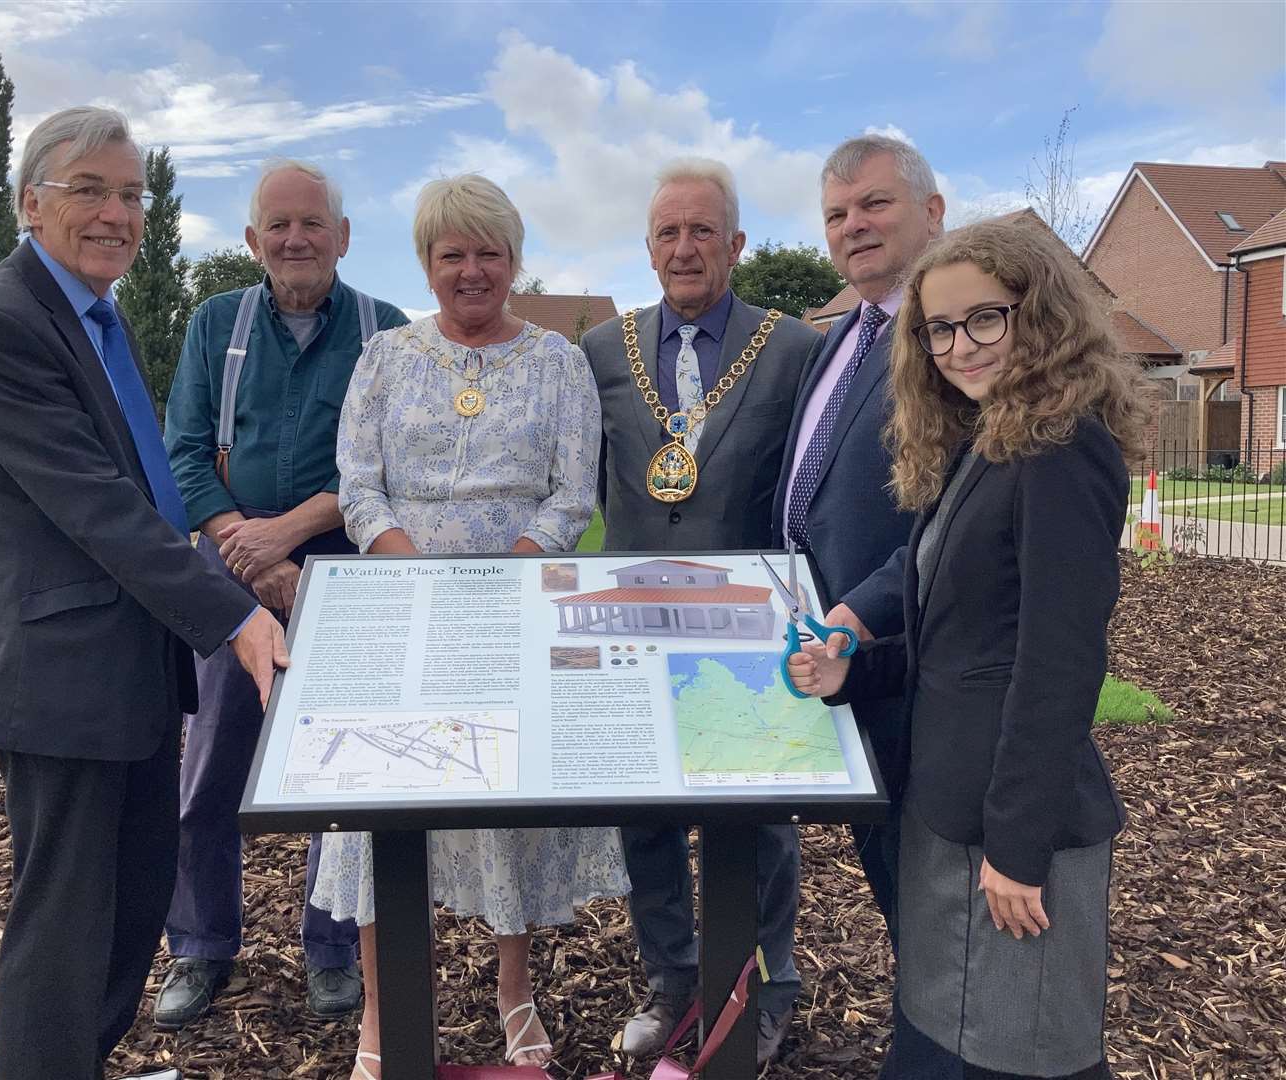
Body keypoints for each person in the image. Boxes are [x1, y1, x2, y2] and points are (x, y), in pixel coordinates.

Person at [0, 105, 289, 1080]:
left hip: (122, 667)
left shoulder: (90, 311)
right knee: (63, 933)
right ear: (30, 202)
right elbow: (100, 510)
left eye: (130, 195)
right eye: (89, 190)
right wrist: (237, 615)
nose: (116, 214)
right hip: (60, 679)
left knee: (131, 911)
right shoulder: (0, 324)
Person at [788, 219, 1146, 1079]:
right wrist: (851, 669)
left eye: (985, 318)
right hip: (949, 810)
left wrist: (1016, 848)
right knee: (938, 1046)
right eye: (939, 328)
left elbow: (1058, 665)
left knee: (1018, 1055)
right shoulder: (985, 444)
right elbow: (956, 637)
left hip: (1011, 832)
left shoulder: (1063, 451)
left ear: (1041, 312)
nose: (959, 346)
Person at [311, 173, 626, 1080]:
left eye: (490, 252)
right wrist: (408, 570)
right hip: (398, 606)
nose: (472, 270)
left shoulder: (559, 363)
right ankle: (381, 1005)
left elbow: (575, 492)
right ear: (426, 262)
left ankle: (512, 993)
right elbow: (359, 487)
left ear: (515, 261)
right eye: (453, 253)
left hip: (516, 603)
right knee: (380, 798)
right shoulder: (384, 358)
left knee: (504, 800)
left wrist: (515, 568)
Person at [580, 157, 824, 1067]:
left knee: (756, 819)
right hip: (634, 621)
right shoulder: (603, 351)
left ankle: (767, 984)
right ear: (648, 250)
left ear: (737, 243)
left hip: (749, 631)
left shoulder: (796, 349)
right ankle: (674, 980)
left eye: (702, 230)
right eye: (667, 233)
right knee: (644, 817)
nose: (685, 248)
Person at [159, 160, 408, 1030]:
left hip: (345, 565)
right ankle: (200, 947)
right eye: (278, 226)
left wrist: (287, 538)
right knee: (211, 766)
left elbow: (387, 467)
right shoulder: (214, 324)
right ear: (253, 240)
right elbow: (183, 450)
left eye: (313, 225)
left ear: (343, 237)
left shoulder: (389, 331)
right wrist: (249, 551)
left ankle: (332, 947)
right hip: (231, 568)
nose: (295, 240)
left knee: (343, 774)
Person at [771, 134, 946, 942]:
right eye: (837, 213)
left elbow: (955, 516)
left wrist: (855, 612)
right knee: (894, 884)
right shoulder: (840, 336)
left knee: (935, 901)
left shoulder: (955, 336)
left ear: (932, 211)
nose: (854, 225)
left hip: (911, 658)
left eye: (875, 203)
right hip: (837, 656)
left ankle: (951, 1057)